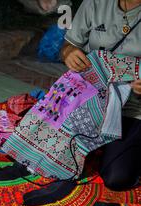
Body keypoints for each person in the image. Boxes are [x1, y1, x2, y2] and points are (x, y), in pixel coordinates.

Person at [60, 0, 141, 191]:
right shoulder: (95, 2)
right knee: (55, 160)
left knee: (117, 177)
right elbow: (69, 46)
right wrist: (69, 53)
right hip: (92, 100)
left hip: (133, 108)